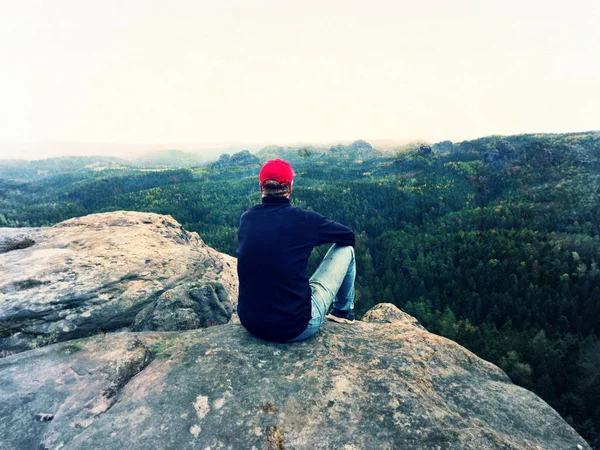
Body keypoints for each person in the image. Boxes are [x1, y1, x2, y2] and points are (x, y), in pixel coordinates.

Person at [236, 158, 357, 342]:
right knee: (346, 250)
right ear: (290, 188)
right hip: (295, 327)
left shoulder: (246, 218)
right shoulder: (304, 219)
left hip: (251, 323)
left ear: (261, 187)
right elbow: (348, 237)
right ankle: (342, 311)